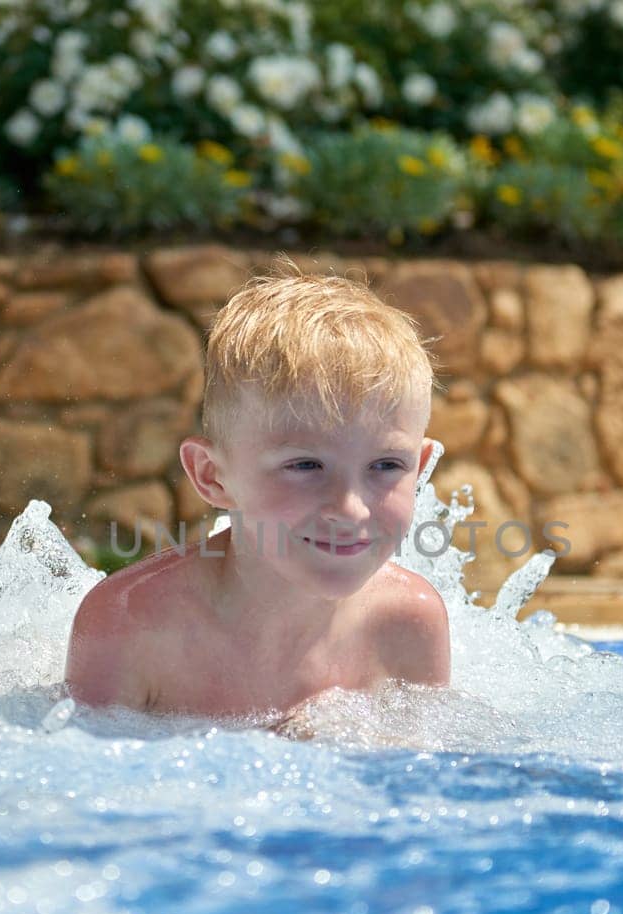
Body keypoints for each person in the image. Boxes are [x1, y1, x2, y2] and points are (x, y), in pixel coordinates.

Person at [64, 264, 451, 719]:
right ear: (212, 476)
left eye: (386, 466)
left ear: (420, 469)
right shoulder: (130, 627)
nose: (349, 509)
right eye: (305, 465)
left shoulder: (408, 624)